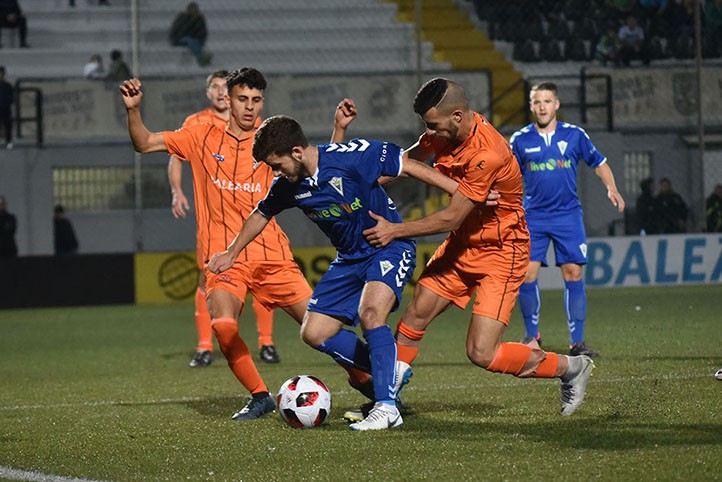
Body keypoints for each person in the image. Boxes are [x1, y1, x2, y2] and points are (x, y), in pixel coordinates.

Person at [119, 68, 373, 421]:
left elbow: (314, 167)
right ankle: (259, 395)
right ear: (228, 99)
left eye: (256, 100)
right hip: (225, 259)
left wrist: (340, 130)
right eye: (242, 99)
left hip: (274, 258)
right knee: (223, 325)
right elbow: (144, 143)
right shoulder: (201, 136)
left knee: (324, 331)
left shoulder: (273, 143)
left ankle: (373, 388)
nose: (249, 107)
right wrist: (133, 110)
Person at [362, 78, 595, 419]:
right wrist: (363, 178)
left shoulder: (488, 153)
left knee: (481, 352)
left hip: (503, 251)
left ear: (457, 116)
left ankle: (571, 368)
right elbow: (409, 160)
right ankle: (388, 400)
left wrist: (394, 231)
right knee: (414, 316)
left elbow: (451, 218)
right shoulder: (445, 131)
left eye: (433, 126)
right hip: (464, 245)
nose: (429, 132)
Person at [208, 113, 458, 430]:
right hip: (349, 258)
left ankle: (386, 407)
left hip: (388, 245)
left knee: (371, 314)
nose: (275, 172)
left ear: (296, 153)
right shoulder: (288, 185)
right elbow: (262, 213)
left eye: (277, 164)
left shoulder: (353, 155)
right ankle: (387, 367)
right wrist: (232, 252)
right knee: (313, 332)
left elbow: (407, 164)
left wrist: (460, 194)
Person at [167, 70, 280, 367]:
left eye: (223, 87)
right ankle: (205, 346)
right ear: (210, 93)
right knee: (208, 279)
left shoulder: (256, 124)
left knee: (261, 280)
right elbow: (176, 156)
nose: (219, 92)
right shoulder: (197, 124)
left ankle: (266, 343)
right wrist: (177, 191)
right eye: (214, 87)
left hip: (252, 219)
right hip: (215, 221)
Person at [510, 81, 625, 358]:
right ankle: (532, 336)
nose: (542, 107)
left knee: (573, 273)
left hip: (567, 215)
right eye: (537, 102)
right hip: (533, 216)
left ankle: (577, 342)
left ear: (557, 104)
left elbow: (598, 162)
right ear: (531, 106)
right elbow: (506, 175)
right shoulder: (520, 139)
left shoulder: (574, 135)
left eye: (547, 101)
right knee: (527, 274)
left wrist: (611, 187)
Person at [169, 2, 212, 67]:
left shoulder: (199, 18)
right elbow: (179, 30)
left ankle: (203, 57)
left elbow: (202, 31)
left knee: (194, 41)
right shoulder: (182, 17)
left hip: (193, 38)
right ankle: (201, 57)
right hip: (179, 38)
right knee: (190, 40)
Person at [0, 66, 12, 149]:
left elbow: (11, 97)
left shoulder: (8, 85)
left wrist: (8, 103)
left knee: (8, 125)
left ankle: (8, 142)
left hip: (5, 108)